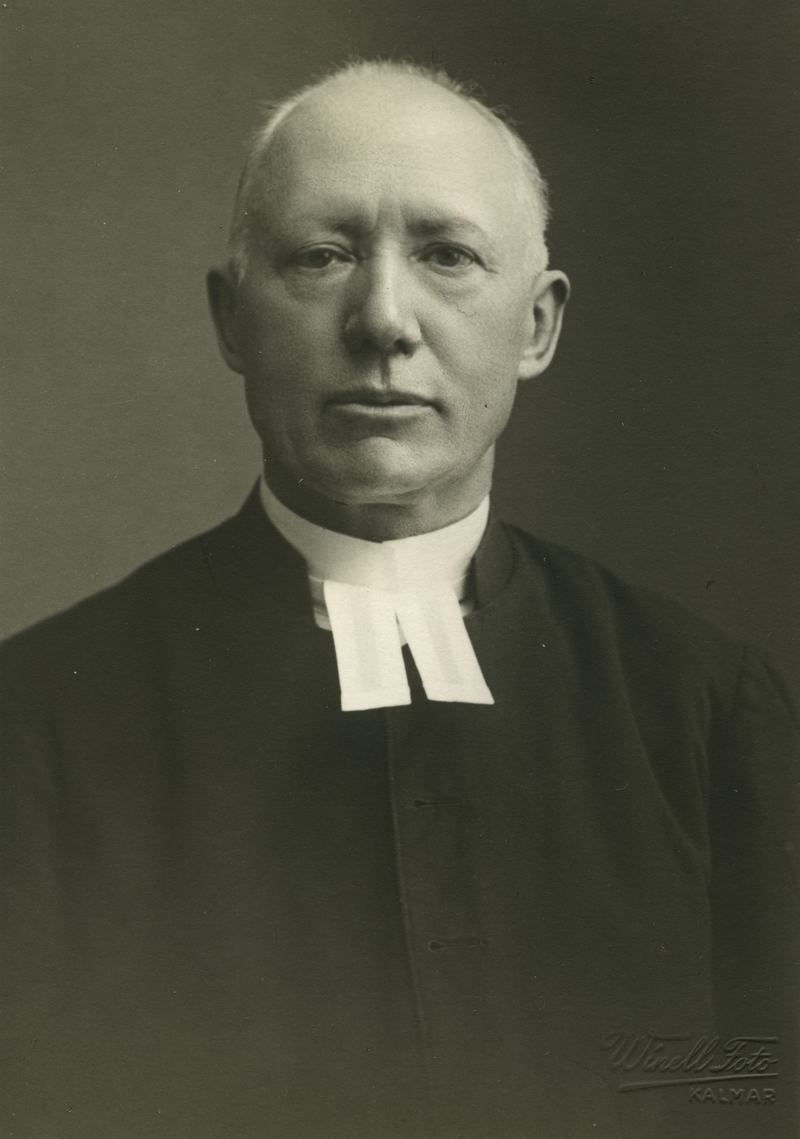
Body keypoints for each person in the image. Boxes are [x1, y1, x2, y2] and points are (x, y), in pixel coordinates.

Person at [1, 60, 797, 1139]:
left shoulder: (702, 706)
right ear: (232, 320)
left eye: (447, 256)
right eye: (321, 256)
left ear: (537, 326)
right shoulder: (36, 726)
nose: (382, 320)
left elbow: (756, 1090)